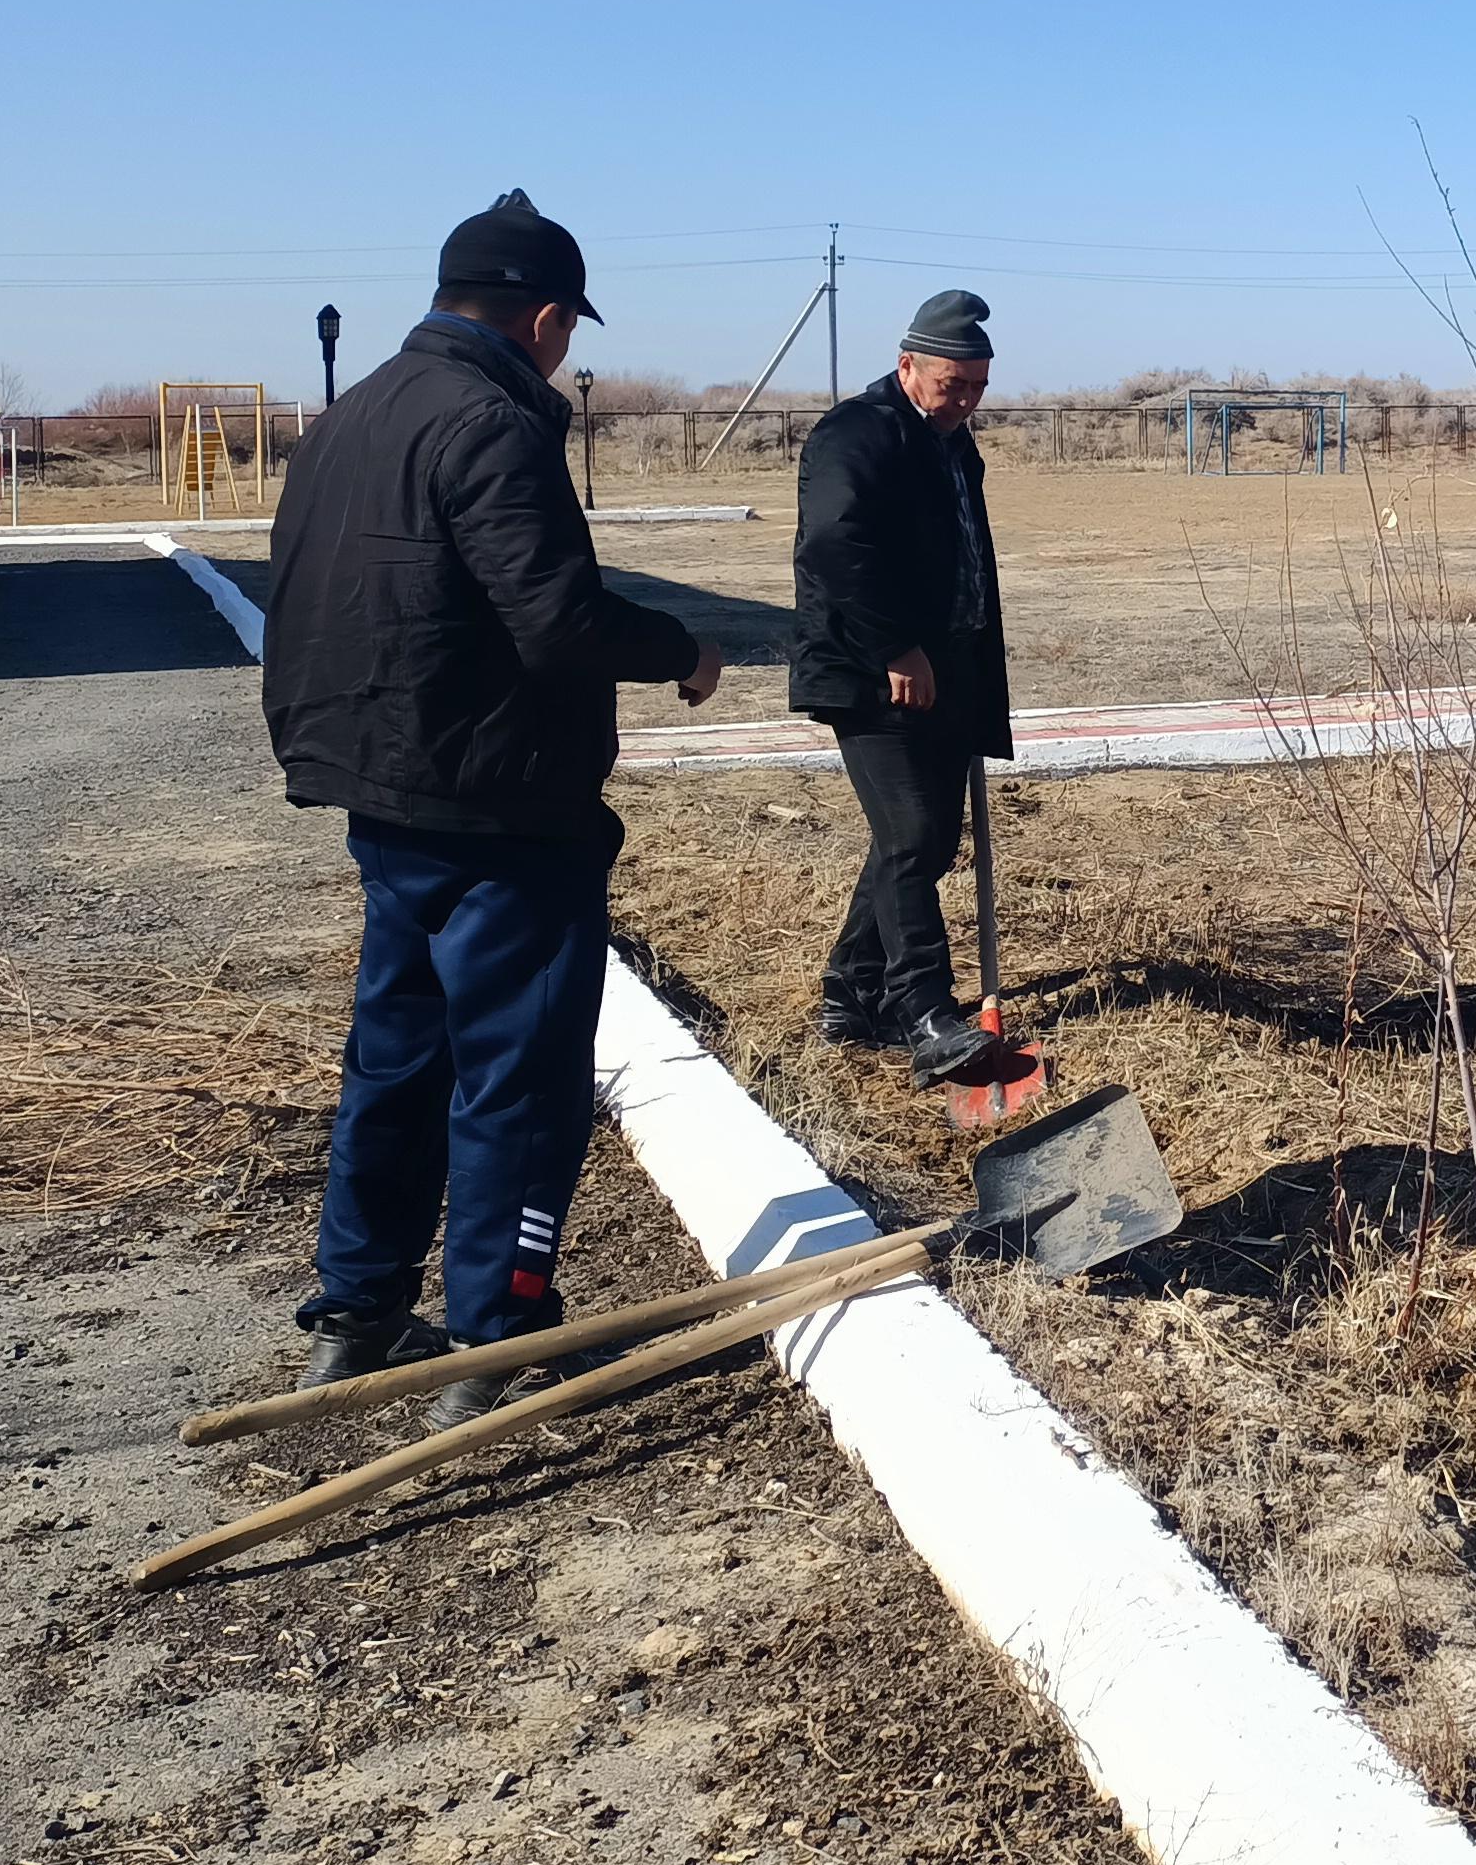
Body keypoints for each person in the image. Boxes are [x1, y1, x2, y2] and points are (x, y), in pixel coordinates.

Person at [261, 192, 724, 1418]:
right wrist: (679, 648)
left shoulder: (353, 414)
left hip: (384, 792)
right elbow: (557, 617)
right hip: (502, 807)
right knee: (516, 1076)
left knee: (395, 1059)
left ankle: (356, 1311)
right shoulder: (492, 421)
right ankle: (496, 1335)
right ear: (545, 318)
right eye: (567, 330)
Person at [790, 290, 1014, 1082]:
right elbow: (833, 545)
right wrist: (895, 646)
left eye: (978, 387)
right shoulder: (857, 432)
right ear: (907, 365)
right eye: (953, 384)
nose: (966, 401)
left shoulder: (951, 442)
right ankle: (923, 1012)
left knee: (918, 840)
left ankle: (851, 991)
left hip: (943, 672)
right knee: (914, 836)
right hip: (869, 674)